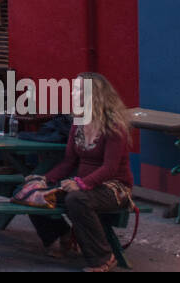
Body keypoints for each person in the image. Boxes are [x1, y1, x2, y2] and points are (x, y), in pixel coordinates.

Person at [23, 72, 134, 272]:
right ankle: (62, 235)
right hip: (83, 185)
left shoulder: (114, 127)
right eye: (74, 89)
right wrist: (45, 178)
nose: (73, 93)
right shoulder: (78, 123)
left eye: (79, 90)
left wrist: (81, 184)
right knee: (32, 191)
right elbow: (69, 162)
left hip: (113, 187)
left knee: (76, 200)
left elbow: (110, 168)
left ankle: (103, 258)